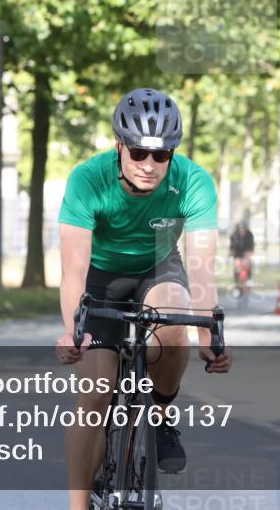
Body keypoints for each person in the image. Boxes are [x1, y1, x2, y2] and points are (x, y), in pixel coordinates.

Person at [55, 88, 233, 510]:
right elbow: (73, 269)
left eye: (161, 155)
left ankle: (161, 412)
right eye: (138, 153)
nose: (149, 165)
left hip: (158, 265)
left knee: (177, 320)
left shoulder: (193, 181)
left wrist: (210, 334)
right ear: (119, 145)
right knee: (96, 393)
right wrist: (72, 332)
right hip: (100, 278)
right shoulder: (88, 179)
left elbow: (203, 267)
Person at [229, 221, 255, 302]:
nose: (242, 230)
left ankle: (249, 280)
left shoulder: (249, 235)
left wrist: (248, 256)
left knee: (247, 264)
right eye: (240, 229)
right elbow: (232, 247)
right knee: (236, 267)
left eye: (243, 229)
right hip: (237, 254)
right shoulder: (234, 235)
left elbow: (251, 247)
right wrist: (230, 253)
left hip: (246, 252)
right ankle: (237, 285)